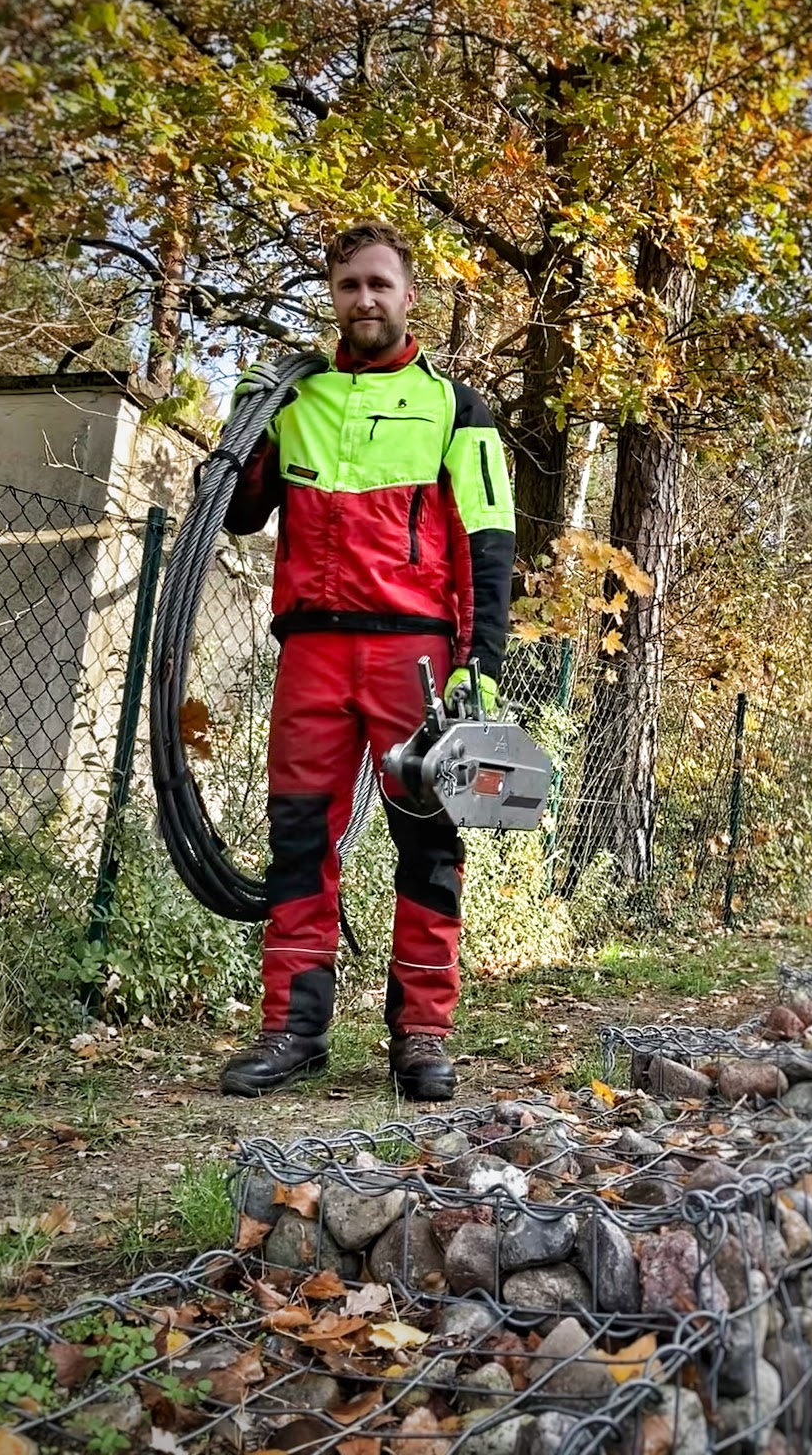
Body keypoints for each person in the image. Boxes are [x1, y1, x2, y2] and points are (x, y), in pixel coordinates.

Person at [216, 221, 515, 1101]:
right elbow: (236, 514)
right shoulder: (292, 400)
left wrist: (480, 660)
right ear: (334, 297)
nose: (365, 299)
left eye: (380, 284)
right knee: (299, 839)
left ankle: (422, 1033)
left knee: (429, 840)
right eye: (349, 285)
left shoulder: (458, 409)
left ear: (409, 296)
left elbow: (489, 543)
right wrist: (244, 427)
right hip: (310, 647)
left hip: (412, 653)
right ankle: (293, 1030)